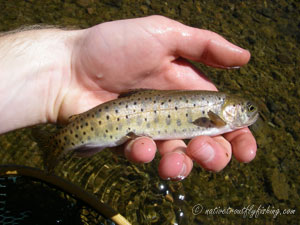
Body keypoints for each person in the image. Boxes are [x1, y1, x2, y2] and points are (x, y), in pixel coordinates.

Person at [0, 15, 256, 180]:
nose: (251, 113)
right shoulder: (215, 114)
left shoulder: (216, 113)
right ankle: (58, 143)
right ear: (229, 109)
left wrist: (68, 62)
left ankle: (60, 142)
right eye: (247, 108)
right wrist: (70, 61)